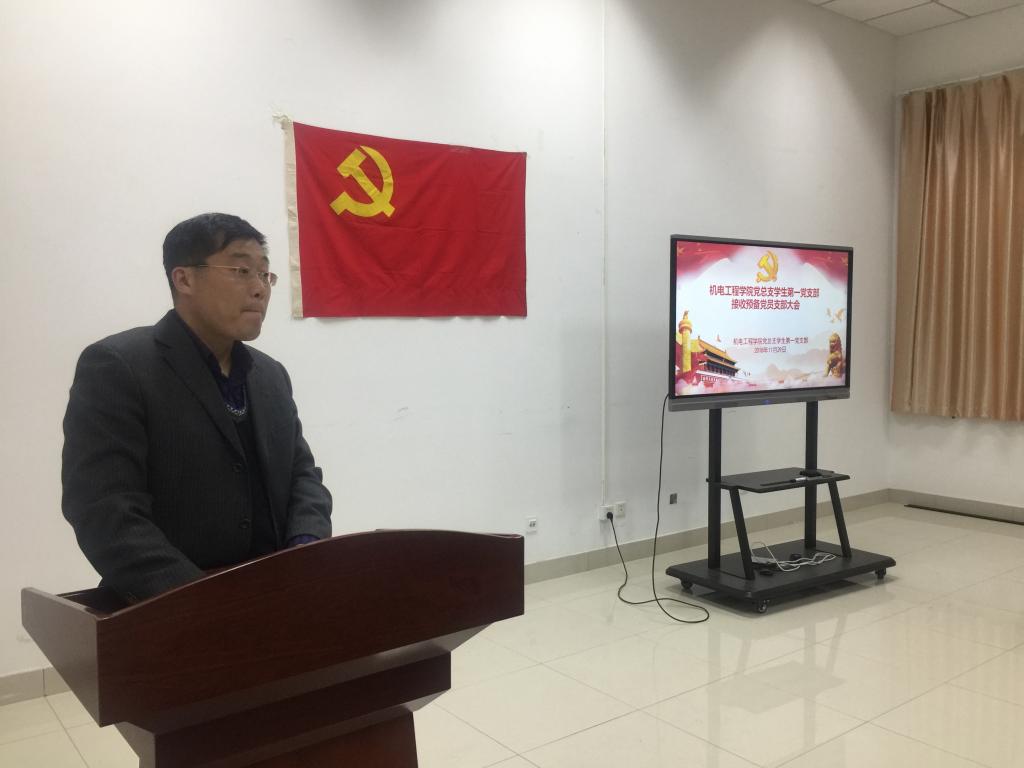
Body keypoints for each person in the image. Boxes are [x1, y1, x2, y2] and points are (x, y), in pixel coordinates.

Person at [62, 213, 332, 603]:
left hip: (279, 601)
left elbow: (303, 475)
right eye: (241, 270)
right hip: (170, 611)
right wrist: (202, 602)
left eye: (265, 274)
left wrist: (306, 547)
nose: (259, 289)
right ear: (184, 279)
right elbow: (105, 510)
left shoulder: (270, 375)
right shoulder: (119, 367)